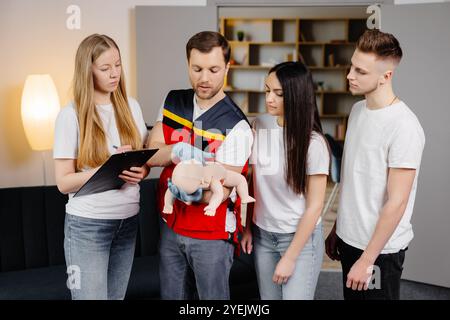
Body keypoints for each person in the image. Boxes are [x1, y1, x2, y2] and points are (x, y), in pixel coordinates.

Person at [147, 31, 253, 300]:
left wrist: (175, 170)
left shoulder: (237, 126)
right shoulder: (172, 101)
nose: (204, 78)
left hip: (211, 233)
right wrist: (179, 153)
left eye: (213, 69)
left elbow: (220, 192)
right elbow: (149, 154)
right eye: (197, 69)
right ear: (188, 65)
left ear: (227, 67)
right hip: (171, 226)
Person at [325, 29, 425, 300]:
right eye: (351, 67)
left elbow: (397, 203)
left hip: (379, 252)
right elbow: (355, 179)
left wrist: (367, 259)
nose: (350, 75)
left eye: (361, 71)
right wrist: (338, 227)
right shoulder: (357, 111)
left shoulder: (404, 126)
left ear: (386, 76)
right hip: (349, 240)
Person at [53, 34, 149, 300]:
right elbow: (63, 182)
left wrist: (142, 170)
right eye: (105, 68)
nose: (114, 73)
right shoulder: (70, 115)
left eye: (117, 65)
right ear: (88, 70)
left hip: (128, 221)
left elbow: (142, 161)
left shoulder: (132, 107)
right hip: (88, 226)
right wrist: (107, 168)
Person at [240, 61, 330, 300]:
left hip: (299, 239)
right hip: (263, 235)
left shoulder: (314, 144)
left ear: (296, 96)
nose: (269, 98)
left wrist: (290, 256)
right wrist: (248, 225)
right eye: (267, 90)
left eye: (278, 94)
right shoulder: (259, 124)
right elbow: (252, 181)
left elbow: (315, 207)